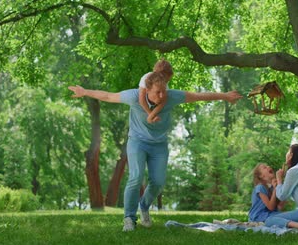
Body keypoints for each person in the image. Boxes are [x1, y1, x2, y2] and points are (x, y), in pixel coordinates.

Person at [68, 67, 243, 232]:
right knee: (136, 177)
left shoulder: (171, 96)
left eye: (164, 91)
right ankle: (129, 218)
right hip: (137, 142)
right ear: (147, 90)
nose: (162, 95)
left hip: (159, 145)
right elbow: (107, 96)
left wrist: (225, 96)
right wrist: (85, 92)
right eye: (157, 92)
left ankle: (144, 206)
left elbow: (199, 96)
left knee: (158, 182)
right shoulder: (134, 96)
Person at [139, 59, 173, 124]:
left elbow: (163, 101)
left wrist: (153, 114)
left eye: (167, 81)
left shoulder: (164, 84)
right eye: (166, 80)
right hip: (145, 104)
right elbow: (141, 99)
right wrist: (150, 115)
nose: (166, 82)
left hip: (155, 105)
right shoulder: (146, 78)